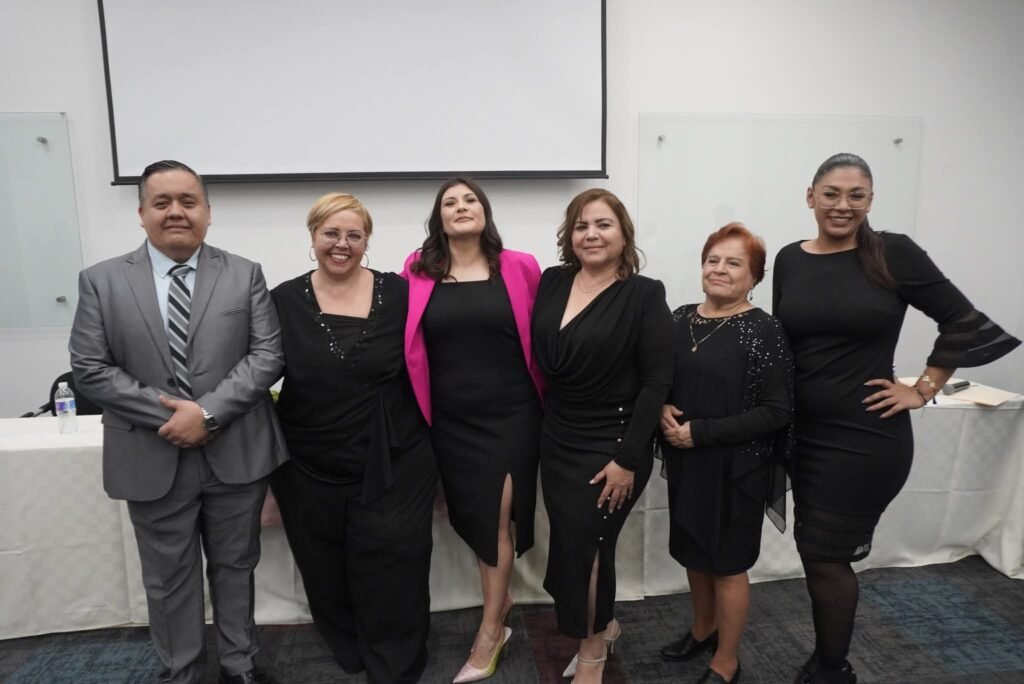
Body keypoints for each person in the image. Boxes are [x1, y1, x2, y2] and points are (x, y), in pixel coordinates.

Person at [772, 153, 1020, 684]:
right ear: (810, 196)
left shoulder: (892, 252)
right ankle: (825, 658)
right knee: (814, 551)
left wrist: (923, 388)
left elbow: (961, 319)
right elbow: (783, 343)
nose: (843, 205)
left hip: (865, 438)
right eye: (832, 193)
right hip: (803, 435)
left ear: (871, 200)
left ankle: (833, 669)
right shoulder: (790, 259)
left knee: (827, 555)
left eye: (856, 195)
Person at [69, 160, 287, 684]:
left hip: (236, 449)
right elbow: (90, 368)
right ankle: (181, 670)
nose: (176, 212)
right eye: (161, 202)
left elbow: (267, 356)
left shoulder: (244, 273)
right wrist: (175, 417)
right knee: (168, 576)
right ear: (141, 212)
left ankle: (239, 664)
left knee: (236, 565)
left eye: (188, 201)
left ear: (208, 212)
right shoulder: (101, 281)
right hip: (151, 450)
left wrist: (207, 414)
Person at [270, 193, 438, 683]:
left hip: (396, 453)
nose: (341, 244)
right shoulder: (282, 300)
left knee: (396, 558)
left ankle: (396, 660)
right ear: (313, 236)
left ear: (367, 241)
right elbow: (257, 368)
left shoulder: (400, 293)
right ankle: (349, 643)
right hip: (309, 460)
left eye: (353, 235)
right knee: (323, 562)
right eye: (331, 233)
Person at [403, 177, 544, 683]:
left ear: (484, 212)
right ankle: (499, 598)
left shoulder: (520, 266)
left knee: (495, 519)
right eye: (450, 202)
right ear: (438, 218)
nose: (461, 207)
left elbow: (547, 334)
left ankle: (490, 632)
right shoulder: (417, 270)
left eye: (470, 200)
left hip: (512, 417)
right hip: (450, 421)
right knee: (473, 518)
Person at [531, 188, 673, 684]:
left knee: (589, 545)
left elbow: (656, 382)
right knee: (568, 545)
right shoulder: (551, 282)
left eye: (603, 224)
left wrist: (628, 459)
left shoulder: (644, 294)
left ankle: (592, 653)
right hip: (557, 438)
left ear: (623, 234)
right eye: (582, 226)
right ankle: (604, 626)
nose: (591, 234)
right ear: (569, 236)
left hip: (612, 444)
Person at [658, 223, 794, 684]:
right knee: (694, 554)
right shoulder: (679, 318)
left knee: (729, 566)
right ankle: (703, 629)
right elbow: (659, 378)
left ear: (754, 276)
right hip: (687, 462)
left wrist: (701, 433)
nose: (719, 269)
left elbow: (777, 411)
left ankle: (727, 661)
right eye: (712, 260)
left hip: (739, 468)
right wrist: (660, 408)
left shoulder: (764, 329)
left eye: (734, 263)